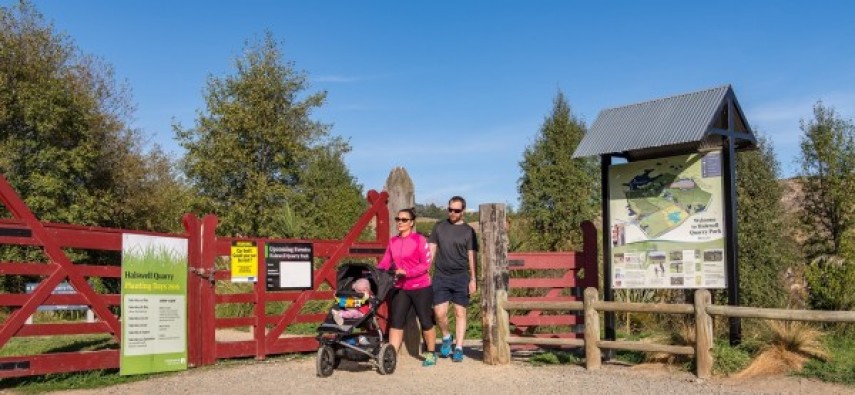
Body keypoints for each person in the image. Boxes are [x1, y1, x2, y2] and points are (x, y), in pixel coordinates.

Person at [377, 208, 437, 367]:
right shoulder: (393, 241)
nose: (400, 222)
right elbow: (385, 262)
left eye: (404, 220)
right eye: (398, 219)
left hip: (420, 286)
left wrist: (407, 272)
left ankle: (431, 353)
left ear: (411, 223)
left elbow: (426, 264)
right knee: (396, 321)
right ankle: (392, 355)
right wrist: (375, 272)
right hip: (400, 287)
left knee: (425, 320)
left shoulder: (419, 240)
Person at [430, 195, 478, 362]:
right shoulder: (439, 227)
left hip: (461, 276)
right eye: (450, 209)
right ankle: (446, 336)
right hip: (441, 276)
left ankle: (458, 347)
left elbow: (471, 256)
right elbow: (431, 251)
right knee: (439, 313)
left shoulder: (468, 231)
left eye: (456, 210)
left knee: (460, 312)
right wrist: (425, 272)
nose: (452, 213)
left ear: (463, 211)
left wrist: (473, 279)